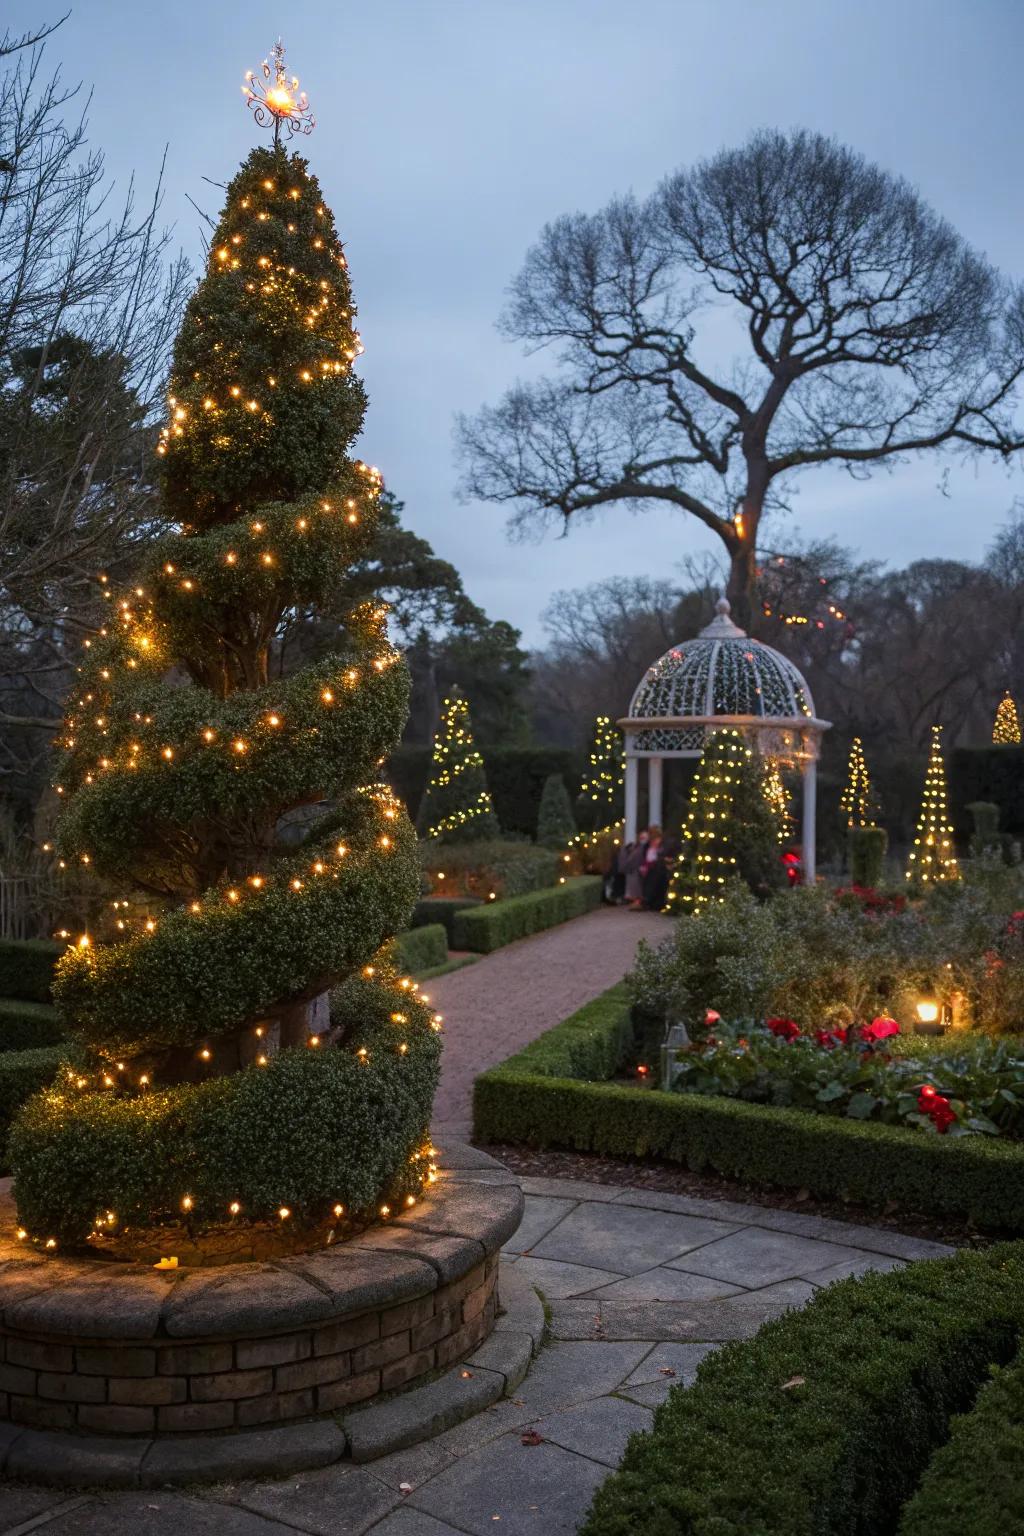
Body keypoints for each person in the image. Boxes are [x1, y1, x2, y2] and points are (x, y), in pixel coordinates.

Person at [623, 829, 650, 907]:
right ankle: (636, 901)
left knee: (638, 886)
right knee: (635, 886)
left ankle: (638, 901)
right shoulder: (638, 847)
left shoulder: (645, 847)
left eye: (644, 838)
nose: (642, 839)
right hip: (635, 869)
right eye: (641, 838)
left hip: (640, 869)